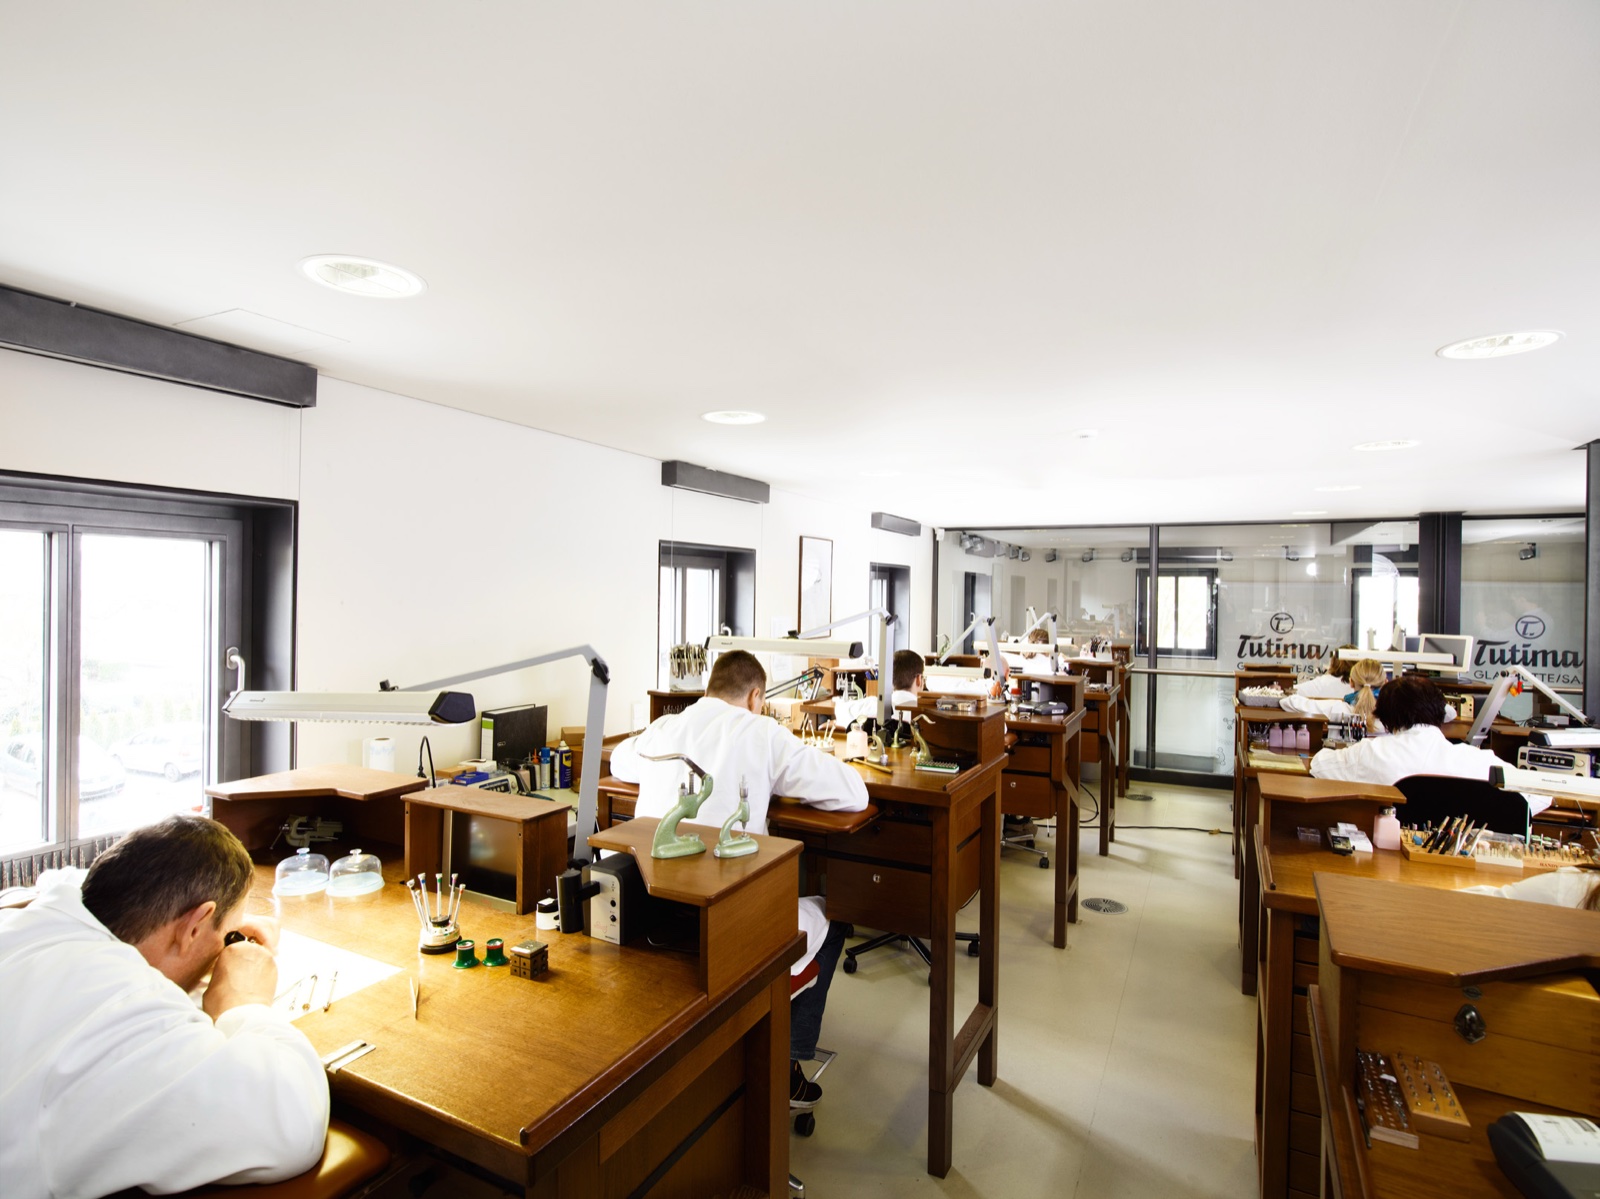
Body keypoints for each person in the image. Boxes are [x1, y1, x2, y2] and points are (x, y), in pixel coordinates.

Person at [0, 814, 329, 1199]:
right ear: (193, 926)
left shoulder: (30, 921)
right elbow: (291, 1125)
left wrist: (215, 930)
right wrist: (245, 1002)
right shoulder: (130, 1017)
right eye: (226, 934)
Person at [608, 650, 868, 1108]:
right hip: (730, 931)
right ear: (756, 696)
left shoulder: (664, 728)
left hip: (649, 922)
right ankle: (785, 1065)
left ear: (710, 688)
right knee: (834, 912)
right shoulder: (761, 730)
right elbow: (852, 792)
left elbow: (618, 765)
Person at [1308, 674, 1548, 814]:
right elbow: (1541, 795)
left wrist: (1330, 747)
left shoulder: (1370, 752)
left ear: (1385, 717)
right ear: (1441, 712)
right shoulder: (1478, 761)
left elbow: (1320, 766)